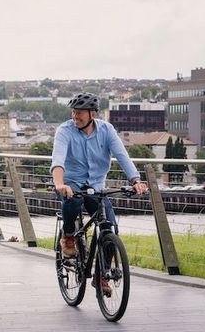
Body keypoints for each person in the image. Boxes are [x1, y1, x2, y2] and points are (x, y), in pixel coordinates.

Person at [50, 92, 148, 293]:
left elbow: (122, 156)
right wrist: (60, 183)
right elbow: (58, 160)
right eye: (73, 112)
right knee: (73, 201)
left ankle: (101, 275)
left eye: (80, 113)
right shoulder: (65, 131)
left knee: (110, 228)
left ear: (92, 114)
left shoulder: (107, 130)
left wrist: (136, 180)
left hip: (96, 186)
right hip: (71, 183)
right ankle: (69, 237)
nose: (75, 116)